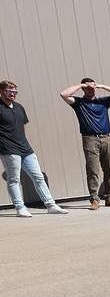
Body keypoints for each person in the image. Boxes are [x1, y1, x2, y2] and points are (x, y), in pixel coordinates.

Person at [1, 80, 67, 216]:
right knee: (14, 179)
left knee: (38, 177)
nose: (13, 93)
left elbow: (22, 127)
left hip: (25, 148)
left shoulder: (19, 107)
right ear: (1, 91)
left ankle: (51, 205)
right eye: (9, 90)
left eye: (15, 91)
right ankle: (20, 208)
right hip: (8, 149)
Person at [59, 77, 110, 209]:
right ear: (83, 89)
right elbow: (64, 94)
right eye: (88, 88)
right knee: (93, 170)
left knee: (109, 169)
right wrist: (80, 84)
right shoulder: (79, 103)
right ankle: (94, 199)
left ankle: (109, 197)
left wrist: (101, 85)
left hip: (106, 138)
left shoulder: (103, 102)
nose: (92, 90)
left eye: (93, 88)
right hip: (90, 139)